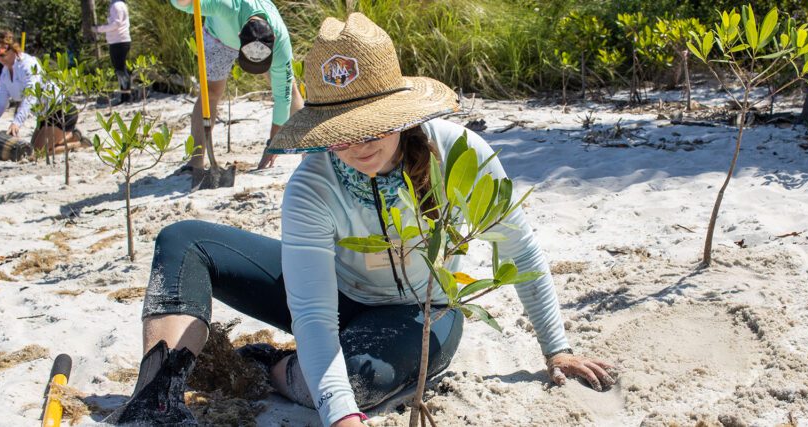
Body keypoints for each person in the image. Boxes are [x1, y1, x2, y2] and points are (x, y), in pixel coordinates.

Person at [105, 13, 616, 427]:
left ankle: (268, 365)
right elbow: (312, 312)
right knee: (183, 240)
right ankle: (156, 401)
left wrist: (558, 349)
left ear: (399, 111)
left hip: (421, 311)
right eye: (340, 131)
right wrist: (342, 419)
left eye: (371, 126)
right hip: (332, 294)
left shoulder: (459, 154)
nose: (358, 145)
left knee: (358, 383)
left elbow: (520, 250)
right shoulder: (311, 185)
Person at [170, 0, 303, 172]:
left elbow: (282, 98)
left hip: (260, 42)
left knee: (289, 90)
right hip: (218, 36)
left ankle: (309, 153)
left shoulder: (280, 42)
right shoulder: (225, 6)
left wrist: (273, 145)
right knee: (210, 92)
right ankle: (196, 161)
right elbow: (182, 4)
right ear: (240, 34)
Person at [0, 31, 87, 154]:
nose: (0, 59)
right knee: (32, 148)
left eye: (2, 55)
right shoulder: (5, 73)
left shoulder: (28, 64)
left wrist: (17, 122)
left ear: (12, 49)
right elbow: (1, 100)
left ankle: (78, 142)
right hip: (44, 116)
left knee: (38, 153)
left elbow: (31, 96)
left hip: (61, 110)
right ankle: (70, 136)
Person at [94, 0, 132, 104]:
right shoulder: (120, 4)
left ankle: (126, 97)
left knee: (120, 70)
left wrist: (99, 29)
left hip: (118, 41)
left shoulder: (116, 5)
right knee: (120, 69)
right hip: (120, 41)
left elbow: (116, 23)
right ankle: (124, 96)